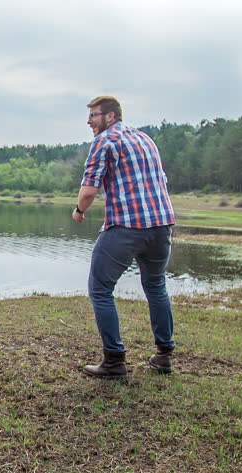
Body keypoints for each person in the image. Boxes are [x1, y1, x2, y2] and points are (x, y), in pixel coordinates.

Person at [72, 96, 176, 379]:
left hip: (127, 226)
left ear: (111, 116)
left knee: (100, 289)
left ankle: (114, 361)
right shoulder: (145, 139)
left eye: (94, 115)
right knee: (156, 286)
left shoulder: (104, 141)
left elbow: (89, 191)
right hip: (161, 225)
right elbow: (161, 181)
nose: (89, 121)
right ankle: (164, 356)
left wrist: (79, 211)